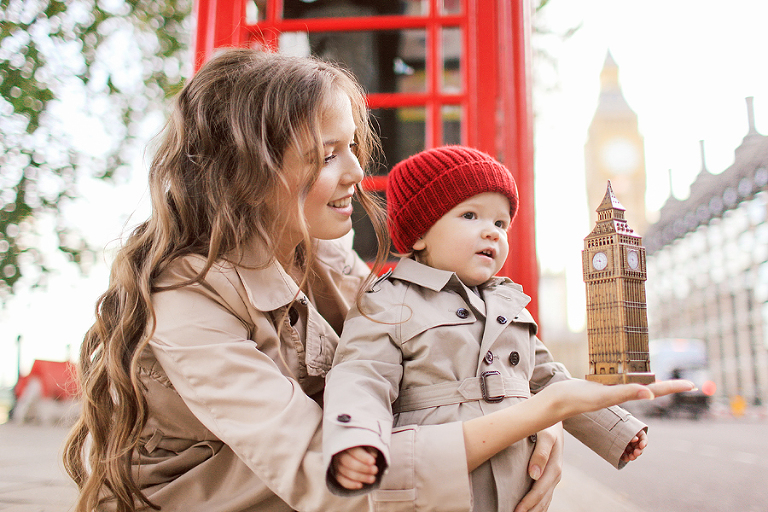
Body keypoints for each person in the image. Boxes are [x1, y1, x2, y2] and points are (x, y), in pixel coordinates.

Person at [62, 48, 690, 512]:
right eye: (325, 155)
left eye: (352, 147)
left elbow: (427, 353)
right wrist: (539, 412)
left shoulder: (328, 256)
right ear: (249, 174)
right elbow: (331, 477)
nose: (358, 172)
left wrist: (533, 416)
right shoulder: (188, 300)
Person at [323, 146, 694, 511]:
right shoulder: (389, 301)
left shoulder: (510, 305)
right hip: (444, 487)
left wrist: (616, 429)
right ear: (419, 234)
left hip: (518, 489)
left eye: (500, 223)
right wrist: (356, 439)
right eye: (470, 216)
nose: (492, 233)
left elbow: (552, 380)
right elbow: (361, 376)